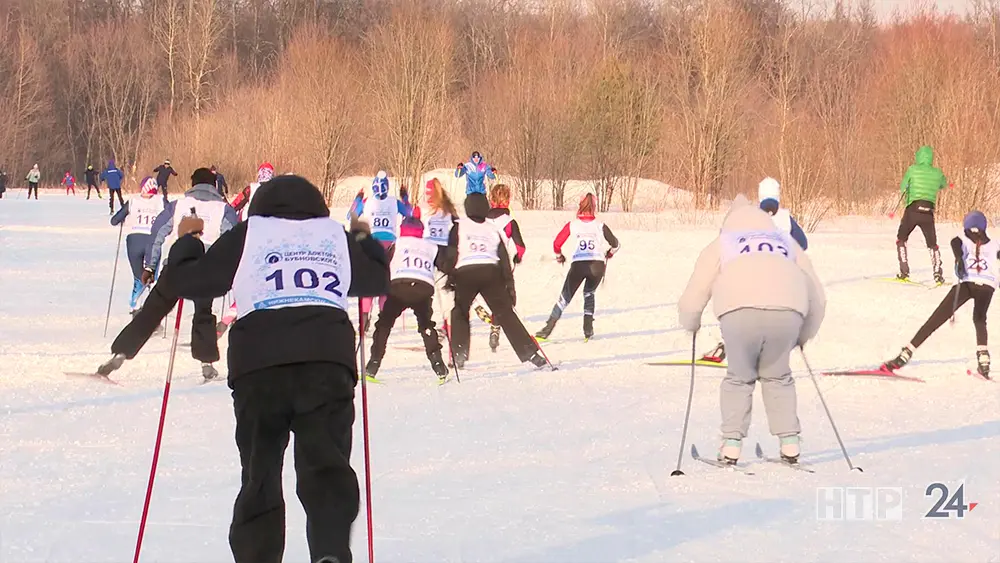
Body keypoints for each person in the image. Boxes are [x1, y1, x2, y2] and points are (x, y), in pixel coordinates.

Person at [157, 174, 388, 563]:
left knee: (260, 474)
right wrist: (365, 240)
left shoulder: (251, 233)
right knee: (326, 466)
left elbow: (191, 282)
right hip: (325, 361)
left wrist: (186, 242)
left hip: (259, 365)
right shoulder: (333, 234)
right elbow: (376, 278)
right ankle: (329, 552)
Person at [677, 195, 826, 464]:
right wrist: (804, 335)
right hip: (788, 312)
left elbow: (697, 288)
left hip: (738, 312)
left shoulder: (724, 242)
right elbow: (816, 294)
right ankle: (790, 444)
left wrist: (691, 322)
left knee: (739, 377)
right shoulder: (785, 241)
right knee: (778, 376)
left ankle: (731, 446)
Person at [96, 168, 238, 381]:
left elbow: (157, 234)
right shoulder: (224, 209)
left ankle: (121, 353)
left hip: (176, 266)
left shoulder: (177, 205)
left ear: (193, 183)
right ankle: (206, 362)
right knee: (203, 314)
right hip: (206, 268)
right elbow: (234, 242)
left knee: (151, 312)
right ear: (214, 185)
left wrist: (150, 267)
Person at [701, 177, 809, 363]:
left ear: (759, 196)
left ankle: (728, 348)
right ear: (778, 195)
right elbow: (803, 244)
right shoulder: (785, 218)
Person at [884, 211, 997, 379]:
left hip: (966, 282)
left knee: (936, 320)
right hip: (987, 285)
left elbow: (955, 244)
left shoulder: (962, 239)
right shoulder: (995, 244)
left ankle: (905, 355)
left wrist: (959, 259)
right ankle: (984, 361)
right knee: (979, 319)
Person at [442, 192, 547, 369]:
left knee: (460, 311)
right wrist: (510, 288)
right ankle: (531, 353)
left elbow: (452, 253)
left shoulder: (459, 226)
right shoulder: (492, 229)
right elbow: (504, 260)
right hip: (491, 272)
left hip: (466, 272)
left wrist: (449, 275)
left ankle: (459, 354)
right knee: (505, 313)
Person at [365, 210, 450, 383]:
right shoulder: (430, 245)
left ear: (402, 229)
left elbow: (383, 264)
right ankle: (439, 366)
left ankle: (372, 366)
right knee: (426, 325)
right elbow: (444, 265)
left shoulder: (397, 243)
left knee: (384, 325)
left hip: (398, 287)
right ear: (421, 231)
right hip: (423, 288)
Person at [535, 193, 620, 342]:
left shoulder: (573, 225)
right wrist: (610, 253)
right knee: (589, 293)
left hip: (579, 265)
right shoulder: (600, 225)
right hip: (597, 265)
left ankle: (547, 330)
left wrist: (559, 256)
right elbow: (616, 244)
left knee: (564, 298)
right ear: (594, 207)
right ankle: (588, 330)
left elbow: (557, 243)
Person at [346, 171, 412, 330]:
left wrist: (358, 198)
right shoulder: (394, 202)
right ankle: (383, 317)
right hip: (389, 245)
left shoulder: (368, 201)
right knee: (384, 279)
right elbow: (409, 214)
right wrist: (405, 198)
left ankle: (364, 315)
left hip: (371, 243)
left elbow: (350, 215)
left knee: (368, 278)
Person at [475, 184, 528, 351]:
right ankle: (495, 329)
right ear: (508, 201)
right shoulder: (510, 222)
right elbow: (521, 247)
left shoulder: (481, 219)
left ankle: (475, 304)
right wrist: (517, 258)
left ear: (491, 200)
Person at [110, 177, 165, 314]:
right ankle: (152, 312)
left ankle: (135, 308)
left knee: (138, 277)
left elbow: (114, 220)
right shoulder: (160, 201)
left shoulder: (133, 201)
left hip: (134, 241)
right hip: (153, 242)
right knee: (151, 277)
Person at [896, 145, 949, 285]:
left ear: (918, 157)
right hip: (928, 212)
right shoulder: (937, 172)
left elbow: (903, 187)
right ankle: (938, 274)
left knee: (901, 238)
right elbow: (944, 185)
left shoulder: (912, 170)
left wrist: (905, 201)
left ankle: (904, 271)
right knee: (932, 244)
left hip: (913, 209)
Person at [422, 177, 459, 250]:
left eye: (429, 194)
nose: (427, 197)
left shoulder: (447, 211)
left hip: (441, 248)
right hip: (432, 248)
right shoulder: (447, 209)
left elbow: (456, 227)